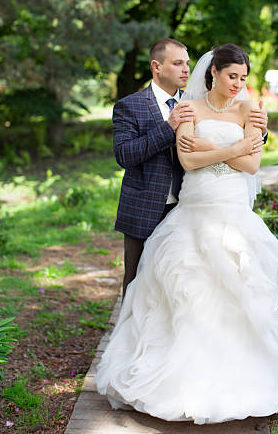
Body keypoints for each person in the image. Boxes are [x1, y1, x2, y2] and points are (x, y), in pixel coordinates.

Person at [95, 43, 278, 424]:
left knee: (235, 289)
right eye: (231, 75)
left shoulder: (248, 110)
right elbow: (183, 158)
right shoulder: (174, 108)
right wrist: (226, 147)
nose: (238, 83)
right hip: (171, 208)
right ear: (215, 72)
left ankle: (235, 375)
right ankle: (147, 359)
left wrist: (218, 146)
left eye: (243, 77)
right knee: (160, 288)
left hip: (227, 207)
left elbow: (252, 163)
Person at [112, 38, 268, 298]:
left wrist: (261, 131)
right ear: (156, 66)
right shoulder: (131, 106)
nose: (186, 69)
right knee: (138, 282)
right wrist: (168, 128)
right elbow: (125, 155)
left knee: (187, 286)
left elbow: (237, 134)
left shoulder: (197, 101)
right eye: (177, 63)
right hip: (146, 208)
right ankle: (130, 335)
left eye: (187, 63)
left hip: (190, 205)